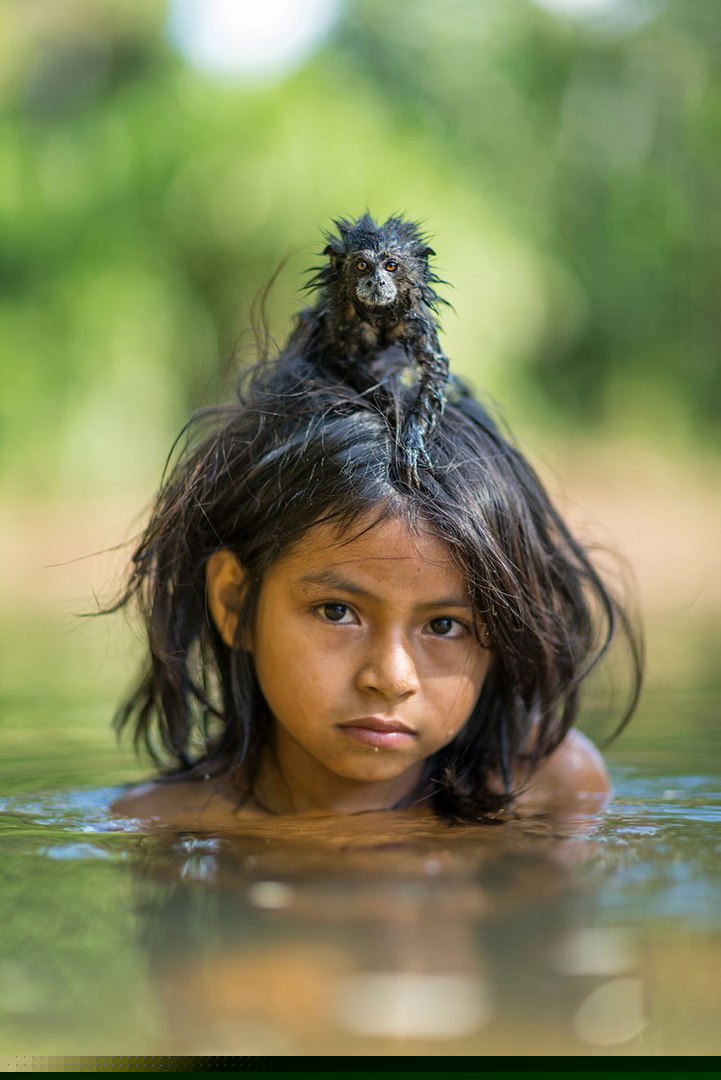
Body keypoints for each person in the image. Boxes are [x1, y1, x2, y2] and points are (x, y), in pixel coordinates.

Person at [110, 302, 642, 826]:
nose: (390, 678)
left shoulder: (546, 793)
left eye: (444, 626)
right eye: (337, 611)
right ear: (235, 601)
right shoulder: (166, 825)